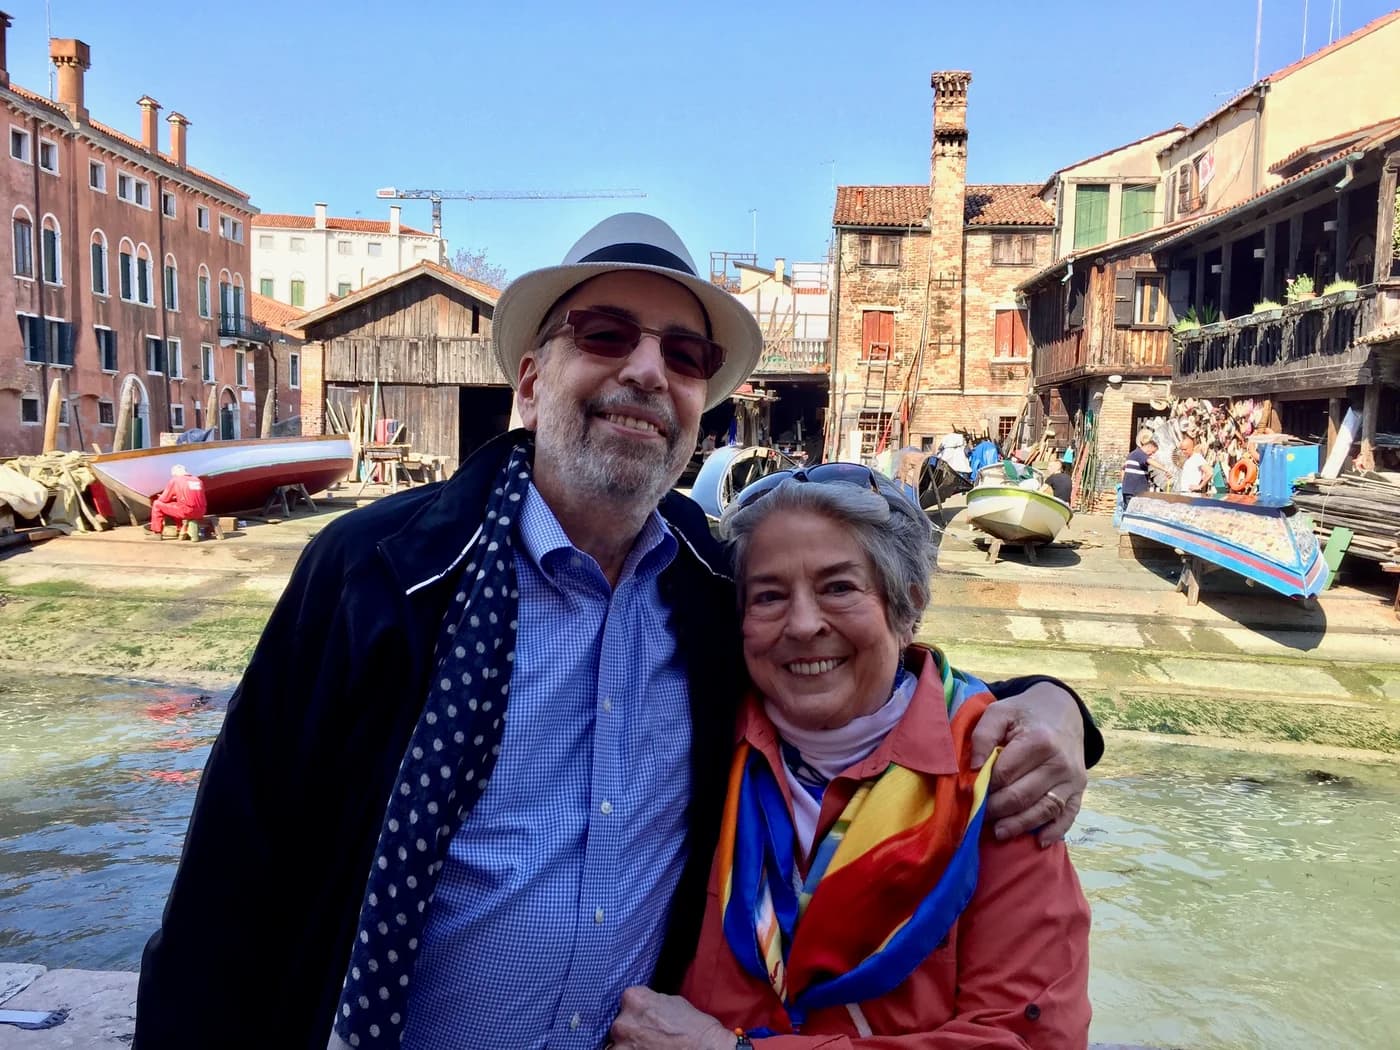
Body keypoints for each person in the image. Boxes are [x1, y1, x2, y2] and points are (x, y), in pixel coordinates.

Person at [134, 214, 1100, 1050]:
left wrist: (1050, 705)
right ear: (529, 378)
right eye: (605, 336)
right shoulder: (376, 567)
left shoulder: (714, 584)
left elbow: (862, 670)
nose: (648, 370)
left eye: (685, 357)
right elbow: (231, 878)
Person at [609, 467, 1090, 1048]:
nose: (804, 624)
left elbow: (1027, 1038)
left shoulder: (997, 775)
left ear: (908, 604)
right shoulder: (705, 739)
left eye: (839, 588)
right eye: (768, 596)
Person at [148, 464, 207, 539]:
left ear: (175, 474)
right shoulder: (197, 480)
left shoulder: (176, 480)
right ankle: (180, 529)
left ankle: (157, 533)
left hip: (187, 511)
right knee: (178, 505)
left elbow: (164, 499)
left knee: (157, 504)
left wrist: (161, 497)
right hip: (201, 511)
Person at [1121, 429, 1157, 509]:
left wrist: (1124, 484)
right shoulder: (1140, 454)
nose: (1152, 454)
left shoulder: (1133, 454)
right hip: (1134, 491)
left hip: (1130, 489)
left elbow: (1123, 470)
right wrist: (1165, 469)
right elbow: (1151, 461)